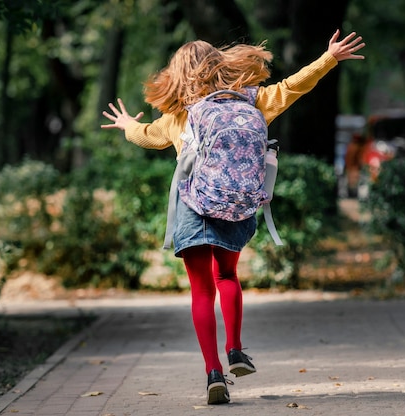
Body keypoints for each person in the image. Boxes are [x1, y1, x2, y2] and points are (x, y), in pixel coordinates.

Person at [101, 29, 365, 405]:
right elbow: (294, 86)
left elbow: (145, 135)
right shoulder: (255, 100)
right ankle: (236, 349)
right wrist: (329, 58)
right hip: (239, 202)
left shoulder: (179, 117)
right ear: (220, 63)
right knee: (227, 275)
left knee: (201, 289)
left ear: (178, 75)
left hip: (195, 207)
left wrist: (127, 124)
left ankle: (213, 373)